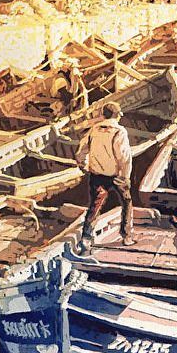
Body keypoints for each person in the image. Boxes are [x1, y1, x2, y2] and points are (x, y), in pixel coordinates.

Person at [76, 101, 135, 253]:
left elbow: (81, 151)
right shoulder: (119, 131)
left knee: (95, 205)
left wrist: (83, 166)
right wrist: (126, 177)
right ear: (117, 115)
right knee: (126, 201)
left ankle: (86, 239)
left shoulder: (94, 129)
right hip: (115, 176)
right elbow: (124, 157)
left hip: (96, 175)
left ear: (103, 115)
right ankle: (126, 235)